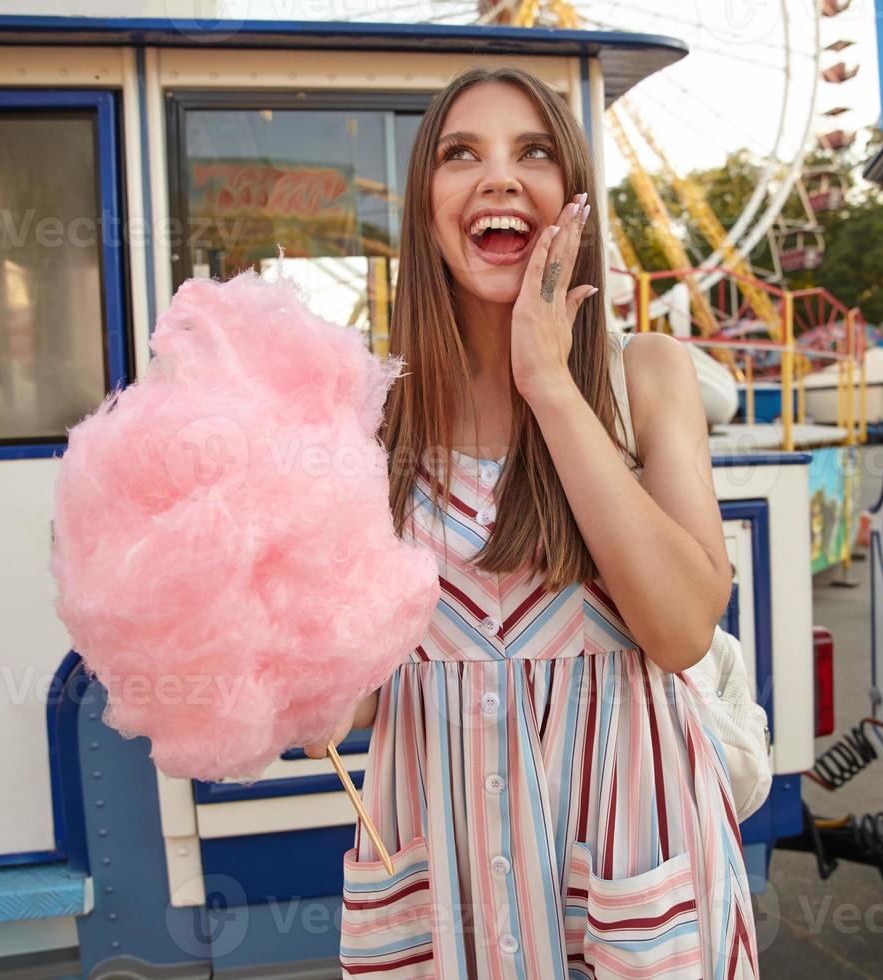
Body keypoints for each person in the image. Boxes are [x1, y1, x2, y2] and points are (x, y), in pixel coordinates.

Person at [304, 66, 760, 978]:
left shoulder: (649, 377)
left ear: (572, 196)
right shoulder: (362, 418)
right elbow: (343, 705)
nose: (500, 177)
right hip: (445, 891)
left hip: (629, 877)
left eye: (534, 151)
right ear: (424, 206)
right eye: (461, 153)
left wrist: (549, 384)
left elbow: (679, 630)